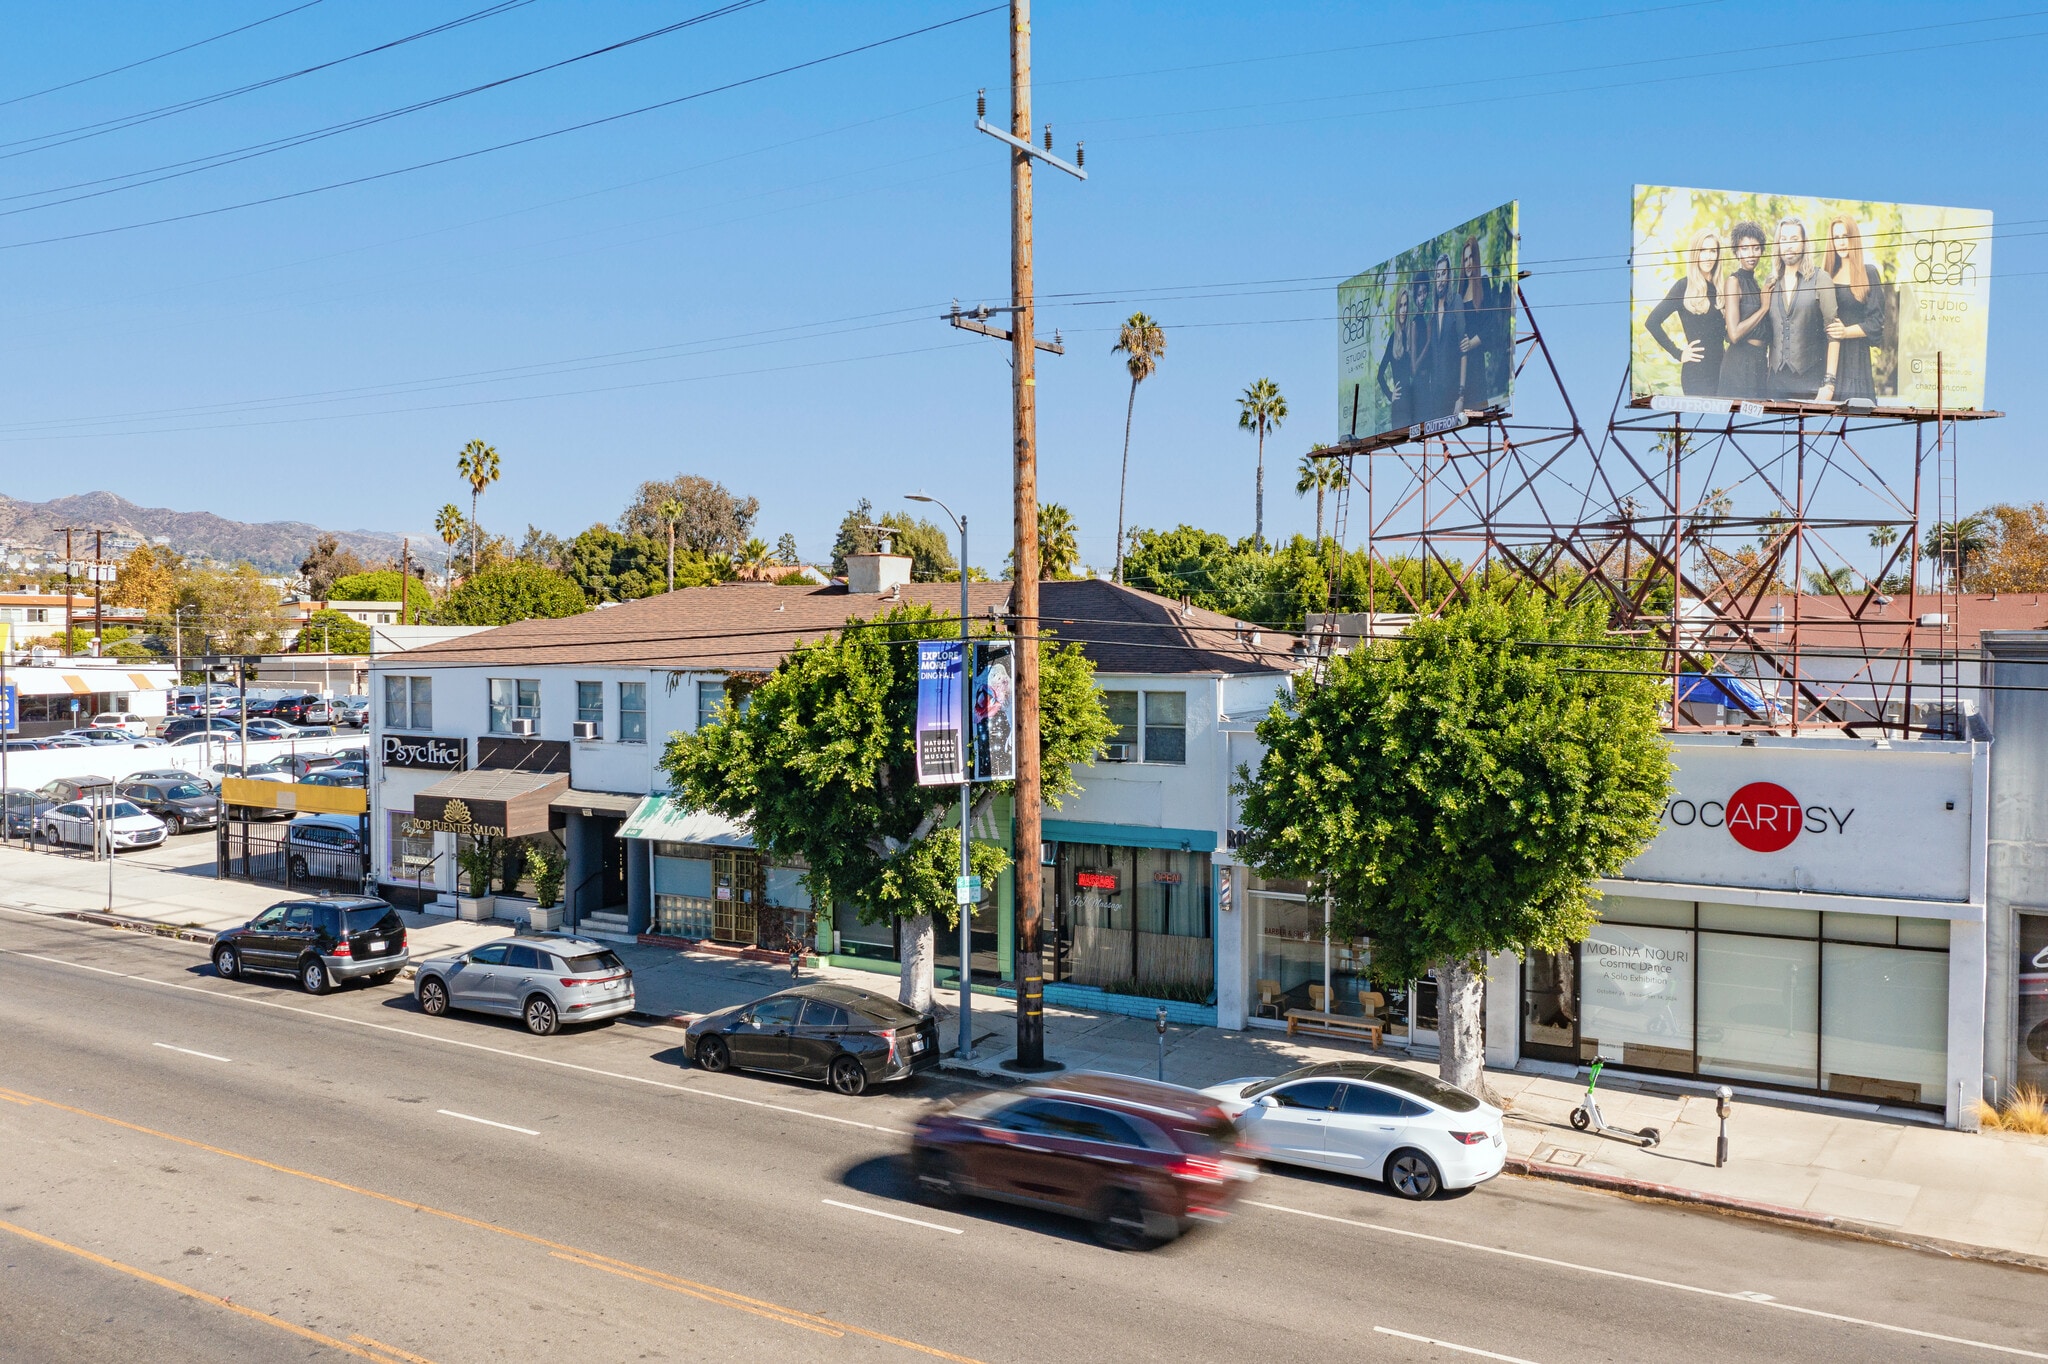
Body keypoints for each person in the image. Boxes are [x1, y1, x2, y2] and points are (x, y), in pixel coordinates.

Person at [1642, 228, 1726, 397]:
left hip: (1723, 371)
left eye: (1713, 251)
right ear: (1695, 253)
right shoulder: (1683, 287)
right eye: (1703, 250)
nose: (1709, 256)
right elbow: (1652, 322)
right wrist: (1678, 353)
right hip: (1697, 374)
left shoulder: (1722, 288)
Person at [1816, 214, 1888, 404]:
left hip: (1856, 360)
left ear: (1854, 238)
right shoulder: (1825, 276)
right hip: (1826, 359)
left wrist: (1845, 332)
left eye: (1845, 236)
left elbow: (1876, 324)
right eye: (1836, 238)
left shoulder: (1869, 273)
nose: (1841, 242)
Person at [1765, 217, 1826, 401]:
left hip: (1810, 380)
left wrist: (1829, 382)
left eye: (1794, 239)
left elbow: (1833, 332)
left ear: (1804, 243)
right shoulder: (1770, 282)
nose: (1788, 245)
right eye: (1783, 239)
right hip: (1775, 383)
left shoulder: (1820, 278)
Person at [1453, 233, 1509, 410]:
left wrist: (1471, 344)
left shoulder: (1484, 283)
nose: (1468, 263)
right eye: (1465, 259)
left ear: (1476, 259)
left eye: (1471, 258)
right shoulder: (1459, 292)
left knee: (1476, 404)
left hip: (1475, 362)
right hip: (1457, 363)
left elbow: (1490, 323)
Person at [1719, 220, 1771, 400]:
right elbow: (1733, 334)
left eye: (1756, 248)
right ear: (1737, 252)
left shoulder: (1757, 285)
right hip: (1739, 364)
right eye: (1745, 249)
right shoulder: (1734, 282)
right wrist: (1764, 308)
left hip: (1759, 363)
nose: (1751, 254)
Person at [1375, 284, 1418, 433]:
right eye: (1401, 305)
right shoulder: (1394, 339)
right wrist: (1390, 395)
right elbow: (1380, 374)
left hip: (1415, 400)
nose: (1404, 310)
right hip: (1399, 404)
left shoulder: (1413, 331)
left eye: (1406, 305)